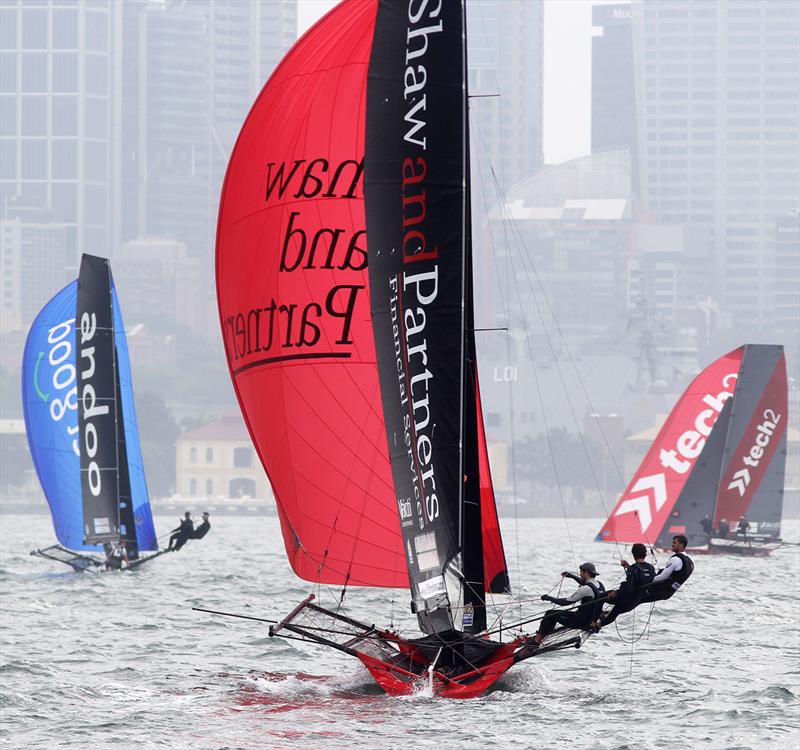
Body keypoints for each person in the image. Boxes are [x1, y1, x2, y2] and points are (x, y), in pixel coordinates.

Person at [529, 562, 605, 646]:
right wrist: (572, 576)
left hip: (581, 622)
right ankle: (544, 633)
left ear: (586, 572)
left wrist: (549, 598)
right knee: (554, 614)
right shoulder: (600, 585)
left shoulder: (585, 589)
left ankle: (537, 640)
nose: (580, 574)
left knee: (550, 614)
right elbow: (587, 584)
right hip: (592, 620)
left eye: (581, 572)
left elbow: (565, 602)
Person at [593, 543, 655, 629]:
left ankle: (593, 622)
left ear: (633, 554)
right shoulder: (651, 568)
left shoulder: (634, 569)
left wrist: (616, 592)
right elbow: (641, 578)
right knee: (615, 611)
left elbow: (627, 588)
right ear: (645, 554)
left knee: (600, 597)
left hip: (625, 599)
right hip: (635, 602)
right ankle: (599, 625)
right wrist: (629, 567)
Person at [640, 534, 694, 603]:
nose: (672, 544)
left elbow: (662, 577)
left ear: (681, 544)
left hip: (660, 590)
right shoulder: (690, 562)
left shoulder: (676, 559)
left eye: (674, 543)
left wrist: (646, 581)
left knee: (634, 597)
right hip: (668, 593)